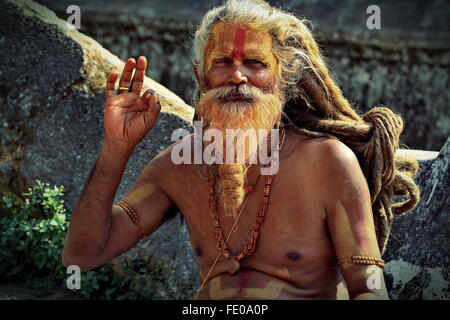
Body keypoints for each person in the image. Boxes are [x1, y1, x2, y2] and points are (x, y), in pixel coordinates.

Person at [62, 0, 420, 299]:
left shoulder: (326, 161)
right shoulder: (178, 165)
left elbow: (367, 284)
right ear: (202, 76)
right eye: (222, 63)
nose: (237, 77)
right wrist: (116, 147)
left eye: (255, 63)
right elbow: (83, 254)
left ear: (282, 77)